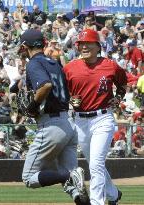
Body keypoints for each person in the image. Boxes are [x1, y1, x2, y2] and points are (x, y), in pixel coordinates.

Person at [19, 29, 90, 205]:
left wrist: (32, 106)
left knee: (28, 177)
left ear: (24, 46)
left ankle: (70, 174)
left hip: (52, 125)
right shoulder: (54, 62)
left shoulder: (33, 63)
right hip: (68, 122)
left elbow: (45, 85)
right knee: (74, 187)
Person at [63, 29, 127, 205]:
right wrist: (69, 100)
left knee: (96, 164)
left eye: (88, 43)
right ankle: (113, 195)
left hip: (102, 118)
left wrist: (119, 97)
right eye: (80, 44)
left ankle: (96, 202)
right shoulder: (69, 68)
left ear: (97, 46)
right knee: (94, 164)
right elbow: (61, 93)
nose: (83, 46)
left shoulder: (110, 65)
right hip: (80, 120)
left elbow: (122, 84)